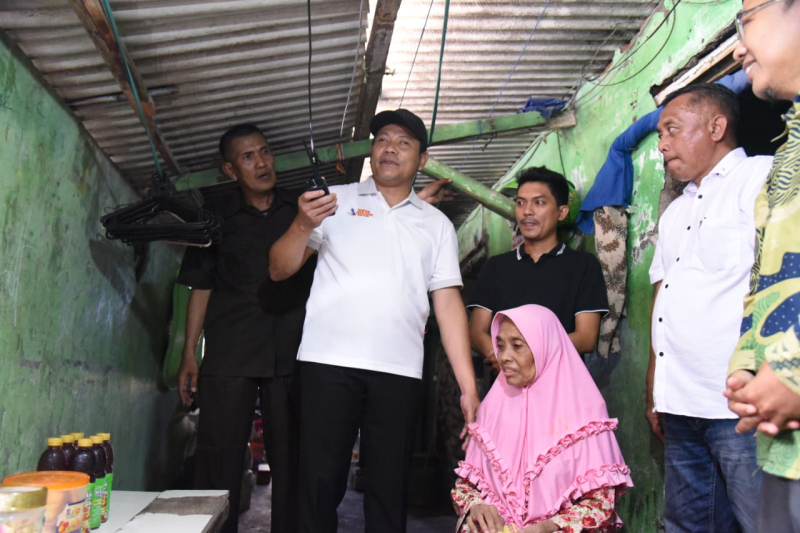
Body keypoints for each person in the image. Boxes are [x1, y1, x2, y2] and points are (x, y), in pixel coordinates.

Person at [269, 108, 480, 533]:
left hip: (398, 371)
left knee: (389, 490)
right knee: (317, 485)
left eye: (403, 143)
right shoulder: (334, 200)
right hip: (327, 364)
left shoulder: (437, 225)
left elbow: (448, 304)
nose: (390, 148)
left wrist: (468, 386)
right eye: (382, 139)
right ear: (371, 151)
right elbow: (279, 269)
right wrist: (301, 224)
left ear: (422, 159)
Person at [175, 124, 313, 533]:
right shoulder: (214, 217)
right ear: (230, 169)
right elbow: (201, 287)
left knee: (292, 461)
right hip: (230, 353)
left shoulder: (300, 210)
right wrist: (189, 354)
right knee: (218, 458)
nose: (261, 163)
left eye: (265, 152)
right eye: (248, 157)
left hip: (292, 353)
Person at [648, 83, 772, 532]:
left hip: (741, 403)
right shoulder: (673, 214)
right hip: (680, 405)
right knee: (688, 526)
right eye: (660, 135)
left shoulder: (760, 177)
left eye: (672, 130)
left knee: (766, 523)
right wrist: (654, 385)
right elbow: (663, 299)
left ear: (717, 127)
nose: (662, 145)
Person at [452, 304, 633, 533]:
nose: (504, 357)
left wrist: (547, 527)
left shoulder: (585, 415)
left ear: (545, 347)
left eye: (517, 346)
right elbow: (466, 485)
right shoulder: (491, 409)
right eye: (501, 346)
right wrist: (476, 505)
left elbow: (600, 505)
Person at [724, 1, 800, 529]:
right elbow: (765, 278)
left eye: (746, 19)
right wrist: (747, 363)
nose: (737, 47)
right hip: (783, 448)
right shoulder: (786, 154)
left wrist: (792, 371)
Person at [468, 167, 609, 371]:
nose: (527, 211)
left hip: (561, 384)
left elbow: (586, 337)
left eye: (539, 203)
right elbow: (476, 332)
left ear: (562, 212)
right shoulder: (495, 267)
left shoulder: (584, 266)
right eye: (520, 203)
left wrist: (528, 359)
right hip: (507, 383)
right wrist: (499, 355)